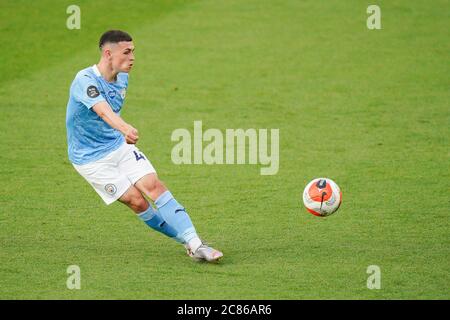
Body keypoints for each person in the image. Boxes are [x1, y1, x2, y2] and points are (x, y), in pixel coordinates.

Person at [65, 30, 223, 262]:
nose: (132, 57)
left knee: (154, 186)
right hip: (91, 159)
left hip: (118, 145)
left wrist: (121, 134)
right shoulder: (85, 80)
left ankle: (196, 243)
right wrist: (124, 128)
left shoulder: (123, 78)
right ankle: (186, 242)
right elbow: (102, 110)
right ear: (108, 54)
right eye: (126, 52)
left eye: (133, 52)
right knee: (137, 201)